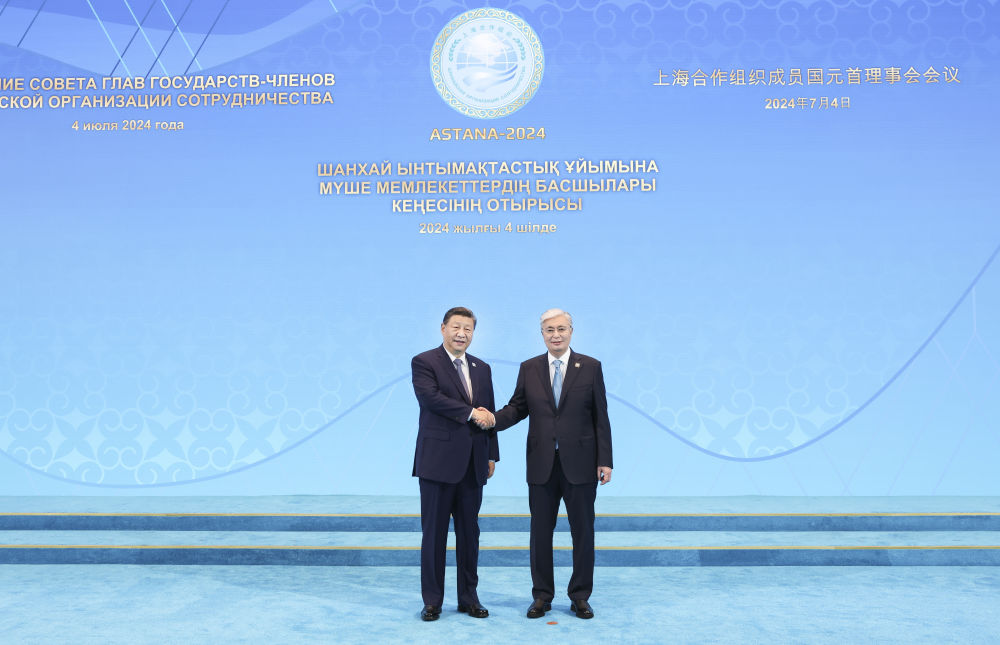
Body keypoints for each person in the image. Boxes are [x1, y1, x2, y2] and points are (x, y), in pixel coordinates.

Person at [476, 308, 612, 619]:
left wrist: (605, 460)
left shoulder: (591, 367)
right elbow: (517, 408)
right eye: (549, 330)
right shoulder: (530, 368)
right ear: (542, 334)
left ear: (571, 331)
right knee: (540, 533)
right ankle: (542, 596)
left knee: (583, 532)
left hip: (582, 464)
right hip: (541, 464)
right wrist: (492, 419)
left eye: (561, 329)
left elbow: (600, 416)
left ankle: (580, 596)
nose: (556, 335)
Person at [411, 306, 498, 621]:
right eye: (456, 327)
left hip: (473, 464)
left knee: (470, 535)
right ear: (443, 328)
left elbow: (489, 414)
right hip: (437, 463)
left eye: (468, 329)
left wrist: (491, 454)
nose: (462, 334)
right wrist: (471, 413)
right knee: (434, 535)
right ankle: (432, 600)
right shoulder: (425, 362)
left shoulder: (482, 368)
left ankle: (469, 598)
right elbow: (431, 399)